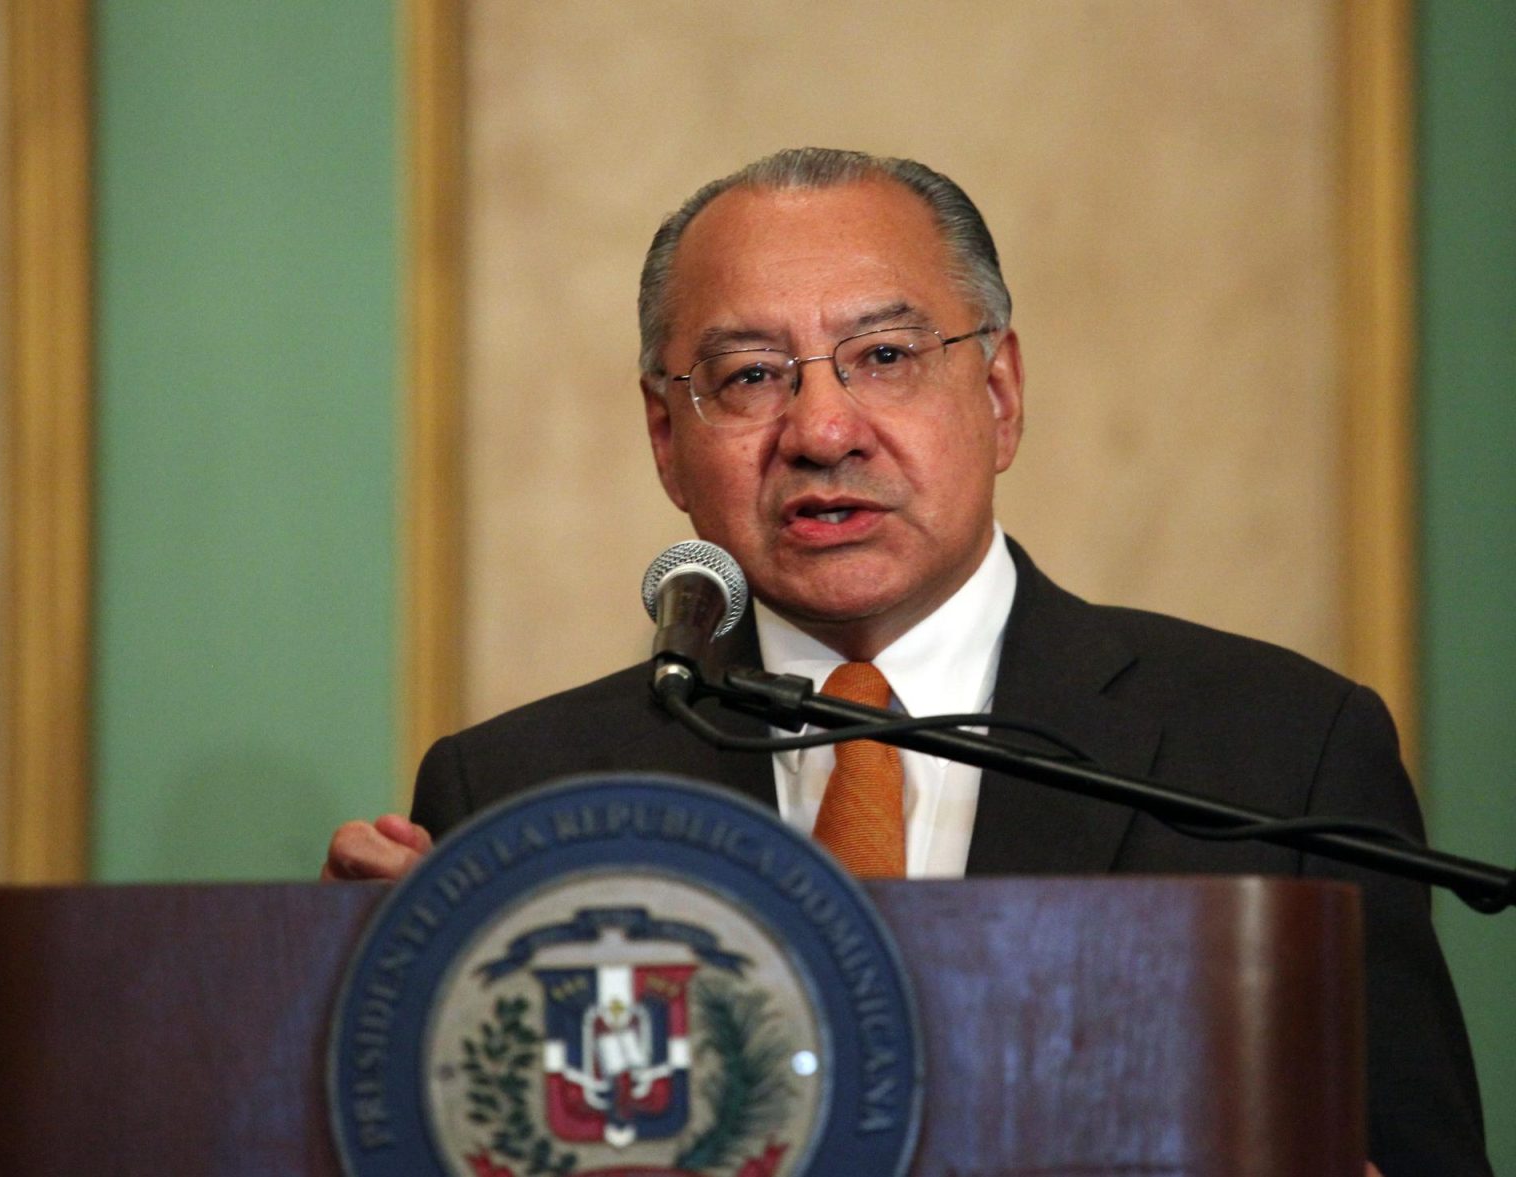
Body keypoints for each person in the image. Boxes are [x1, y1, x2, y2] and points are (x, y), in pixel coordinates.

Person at [325, 148, 1488, 1175]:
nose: (822, 430)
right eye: (748, 376)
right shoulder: (521, 796)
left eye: (883, 354)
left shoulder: (1277, 753)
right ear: (667, 441)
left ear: (1000, 393)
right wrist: (345, 1007)